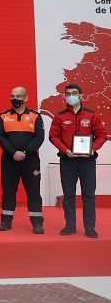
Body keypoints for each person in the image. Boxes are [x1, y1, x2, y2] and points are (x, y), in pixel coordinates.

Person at [49, 83, 107, 238]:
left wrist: (92, 149)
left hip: (87, 162)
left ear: (81, 96)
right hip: (67, 160)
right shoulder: (59, 116)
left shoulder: (91, 115)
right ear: (65, 96)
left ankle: (89, 227)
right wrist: (64, 149)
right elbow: (53, 136)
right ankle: (70, 226)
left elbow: (102, 135)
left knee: (89, 194)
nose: (71, 96)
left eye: (74, 93)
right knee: (68, 194)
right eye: (68, 94)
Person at [0, 86, 45, 234]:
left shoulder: (36, 116)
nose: (15, 99)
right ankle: (6, 221)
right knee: (8, 191)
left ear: (26, 98)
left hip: (30, 160)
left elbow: (39, 137)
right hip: (9, 160)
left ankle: (37, 223)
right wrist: (13, 152)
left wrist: (24, 152)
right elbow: (0, 136)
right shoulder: (3, 116)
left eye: (18, 96)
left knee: (33, 191)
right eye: (12, 96)